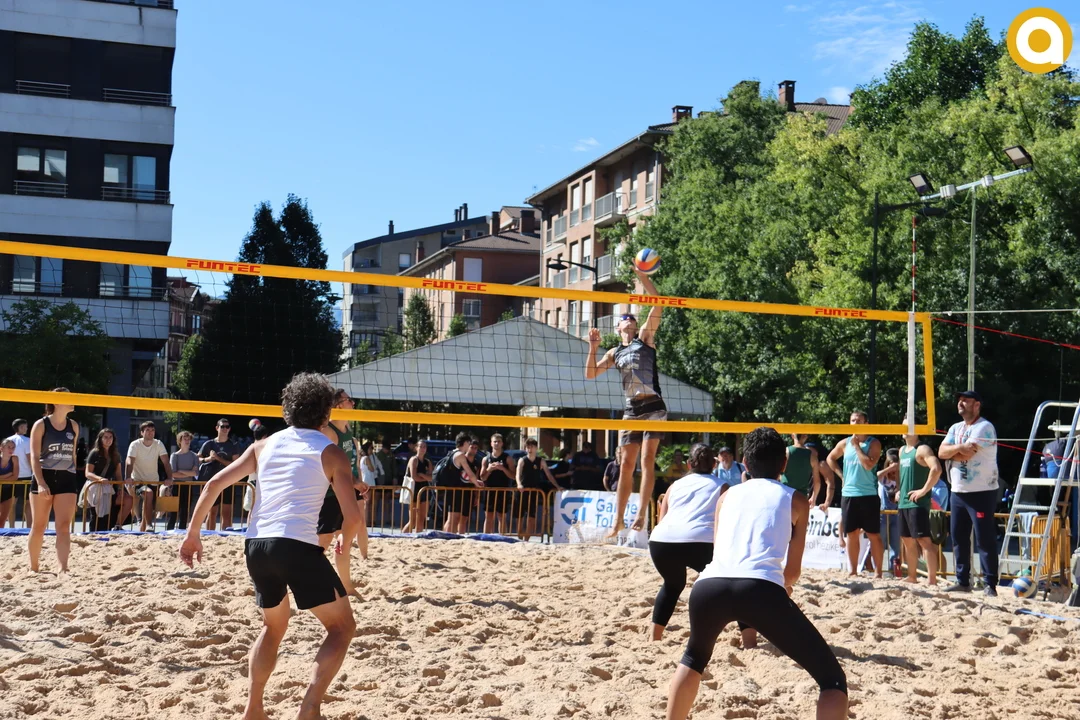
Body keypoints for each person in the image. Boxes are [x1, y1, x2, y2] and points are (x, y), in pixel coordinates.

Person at [179, 372, 359, 720]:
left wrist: (192, 534)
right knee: (342, 628)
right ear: (326, 413)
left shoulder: (262, 446)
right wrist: (343, 540)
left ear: (286, 409)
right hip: (296, 546)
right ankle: (309, 709)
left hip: (257, 546)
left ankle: (254, 709)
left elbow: (213, 485)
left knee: (273, 627)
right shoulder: (332, 453)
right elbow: (352, 517)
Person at [664, 427, 848, 720]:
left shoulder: (726, 497)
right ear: (784, 464)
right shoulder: (796, 499)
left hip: (708, 587)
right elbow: (793, 571)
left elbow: (720, 552)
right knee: (832, 681)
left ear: (745, 464)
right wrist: (782, 589)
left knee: (692, 660)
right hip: (760, 589)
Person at [586, 268, 665, 536]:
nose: (629, 320)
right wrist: (592, 348)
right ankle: (618, 521)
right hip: (632, 409)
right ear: (618, 328)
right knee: (626, 465)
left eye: (632, 318)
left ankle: (641, 513)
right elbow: (590, 374)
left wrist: (643, 279)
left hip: (653, 405)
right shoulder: (614, 352)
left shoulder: (645, 338)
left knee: (647, 459)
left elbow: (658, 304)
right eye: (625, 319)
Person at [649, 444, 738, 642]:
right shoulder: (722, 487)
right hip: (700, 540)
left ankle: (654, 637)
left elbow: (662, 519)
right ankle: (749, 641)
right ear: (714, 464)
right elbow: (727, 524)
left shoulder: (674, 486)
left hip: (661, 541)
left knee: (672, 586)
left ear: (689, 464)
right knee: (733, 583)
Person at [938, 390, 1000, 596]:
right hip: (958, 491)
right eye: (960, 400)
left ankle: (990, 584)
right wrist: (959, 448)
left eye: (966, 400)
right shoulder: (956, 428)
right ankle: (963, 581)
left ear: (977, 405)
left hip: (981, 492)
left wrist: (954, 452)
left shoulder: (984, 427)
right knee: (958, 537)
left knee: (984, 538)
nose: (961, 403)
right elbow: (941, 452)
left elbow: (967, 454)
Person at [28, 388, 80, 573]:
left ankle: (63, 568)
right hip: (45, 475)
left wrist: (73, 477)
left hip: (67, 476)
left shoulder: (73, 426)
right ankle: (33, 567)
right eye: (68, 397)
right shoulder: (41, 425)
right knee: (39, 525)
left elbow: (73, 455)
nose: (73, 400)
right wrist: (41, 482)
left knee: (64, 526)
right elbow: (34, 457)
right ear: (56, 402)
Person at [827, 411, 884, 578]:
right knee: (852, 534)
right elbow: (830, 458)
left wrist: (857, 446)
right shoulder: (845, 443)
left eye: (858, 420)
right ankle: (853, 571)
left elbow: (868, 465)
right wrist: (841, 476)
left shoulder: (873, 443)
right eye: (852, 420)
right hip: (849, 493)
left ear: (866, 424)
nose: (855, 423)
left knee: (873, 535)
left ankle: (878, 573)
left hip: (868, 494)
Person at [897, 424, 942, 585]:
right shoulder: (902, 450)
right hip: (904, 502)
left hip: (918, 504)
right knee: (907, 540)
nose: (903, 429)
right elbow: (902, 474)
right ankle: (912, 576)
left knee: (924, 541)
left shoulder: (922, 449)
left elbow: (936, 469)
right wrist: (899, 490)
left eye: (907, 425)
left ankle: (932, 580)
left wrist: (923, 491)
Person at [126, 420, 172, 532]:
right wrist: (127, 477)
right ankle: (149, 525)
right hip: (138, 481)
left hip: (153, 481)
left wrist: (170, 478)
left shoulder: (158, 444)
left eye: (152, 430)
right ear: (142, 432)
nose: (150, 432)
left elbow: (166, 462)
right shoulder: (135, 444)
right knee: (148, 493)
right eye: (147, 430)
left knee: (148, 509)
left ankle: (143, 531)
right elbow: (129, 461)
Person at [198, 419, 239, 531]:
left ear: (229, 429)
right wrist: (208, 459)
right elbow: (197, 459)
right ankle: (210, 534)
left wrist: (218, 458)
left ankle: (225, 535)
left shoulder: (233, 445)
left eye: (227, 426)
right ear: (217, 428)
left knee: (226, 513)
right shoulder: (209, 444)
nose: (225, 429)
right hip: (212, 480)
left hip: (227, 481)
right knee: (212, 512)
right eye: (222, 426)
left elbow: (236, 464)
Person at [516, 437, 559, 541]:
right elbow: (518, 474)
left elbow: (548, 475)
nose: (529, 449)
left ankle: (526, 539)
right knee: (520, 516)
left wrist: (557, 486)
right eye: (528, 447)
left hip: (534, 491)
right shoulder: (522, 460)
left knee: (531, 516)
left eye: (532, 447)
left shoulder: (540, 461)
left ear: (536, 448)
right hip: (522, 490)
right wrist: (519, 484)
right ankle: (519, 537)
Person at [442, 433, 483, 534]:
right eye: (469, 443)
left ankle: (445, 537)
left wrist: (475, 482)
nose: (469, 445)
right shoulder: (460, 455)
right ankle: (448, 538)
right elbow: (470, 473)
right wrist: (477, 484)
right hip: (455, 491)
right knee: (453, 519)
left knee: (451, 519)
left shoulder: (452, 453)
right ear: (465, 443)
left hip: (452, 490)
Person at [83, 428, 121, 532]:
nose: (108, 439)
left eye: (110, 437)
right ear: (100, 439)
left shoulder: (115, 455)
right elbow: (88, 473)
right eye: (106, 437)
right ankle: (93, 534)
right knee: (95, 514)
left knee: (109, 514)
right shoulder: (95, 453)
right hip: (95, 487)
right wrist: (100, 479)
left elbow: (118, 474)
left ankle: (110, 531)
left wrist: (120, 488)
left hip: (110, 488)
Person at [782, 434, 828, 512]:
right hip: (801, 498)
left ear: (792, 435)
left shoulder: (786, 452)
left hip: (786, 495)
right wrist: (813, 498)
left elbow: (777, 474)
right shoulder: (812, 456)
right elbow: (817, 482)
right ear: (805, 436)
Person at [481, 433, 516, 535]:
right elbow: (482, 477)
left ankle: (502, 537)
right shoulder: (486, 459)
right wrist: (489, 469)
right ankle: (485, 538)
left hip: (503, 490)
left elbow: (513, 476)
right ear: (491, 443)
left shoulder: (507, 458)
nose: (496, 443)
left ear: (502, 443)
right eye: (494, 441)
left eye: (498, 441)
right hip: (489, 490)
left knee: (501, 516)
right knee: (489, 516)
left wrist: (503, 468)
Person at [876, 448, 901, 573]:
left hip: (897, 513)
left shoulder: (900, 478)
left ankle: (893, 569)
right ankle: (877, 568)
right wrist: (889, 469)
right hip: (883, 513)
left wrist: (898, 472)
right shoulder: (884, 478)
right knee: (880, 542)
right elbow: (876, 476)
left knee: (896, 545)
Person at [168, 431, 200, 531]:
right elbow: (173, 473)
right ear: (180, 441)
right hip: (176, 485)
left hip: (188, 486)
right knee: (173, 511)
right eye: (184, 439)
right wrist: (188, 472)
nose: (187, 441)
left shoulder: (194, 456)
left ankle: (182, 531)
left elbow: (195, 473)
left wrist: (181, 471)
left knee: (185, 511)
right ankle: (169, 530)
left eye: (188, 439)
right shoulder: (175, 455)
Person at [401, 440, 433, 533]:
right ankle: (402, 536)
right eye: (421, 446)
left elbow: (431, 477)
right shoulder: (414, 460)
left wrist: (422, 475)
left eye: (424, 447)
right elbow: (414, 477)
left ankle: (418, 537)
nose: (423, 449)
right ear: (416, 448)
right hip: (414, 490)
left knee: (421, 519)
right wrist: (425, 477)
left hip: (424, 490)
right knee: (413, 520)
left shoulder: (427, 462)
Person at [6, 419, 33, 528]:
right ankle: (28, 527)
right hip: (26, 475)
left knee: (11, 504)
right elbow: (30, 458)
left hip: (12, 475)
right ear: (21, 427)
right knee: (28, 503)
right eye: (25, 426)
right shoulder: (27, 441)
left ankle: (11, 527)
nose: (27, 428)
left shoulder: (8, 440)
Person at [0, 438, 20, 527]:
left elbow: (15, 477)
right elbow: (12, 475)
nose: (11, 449)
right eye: (9, 447)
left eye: (13, 447)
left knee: (3, 519)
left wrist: (2, 478)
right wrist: (8, 475)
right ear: (2, 448)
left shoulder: (14, 458)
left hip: (8, 490)